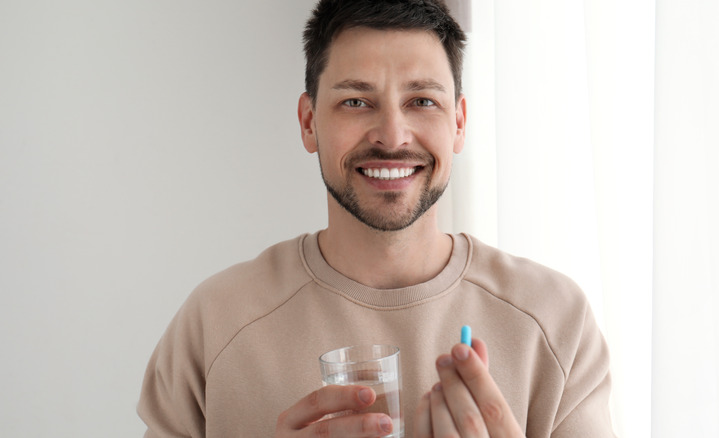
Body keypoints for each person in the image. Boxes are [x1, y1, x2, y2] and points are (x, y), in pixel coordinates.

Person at [137, 1, 617, 437]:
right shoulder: (216, 321)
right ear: (308, 123)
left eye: (422, 101)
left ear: (459, 123)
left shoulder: (555, 320)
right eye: (355, 101)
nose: (392, 135)